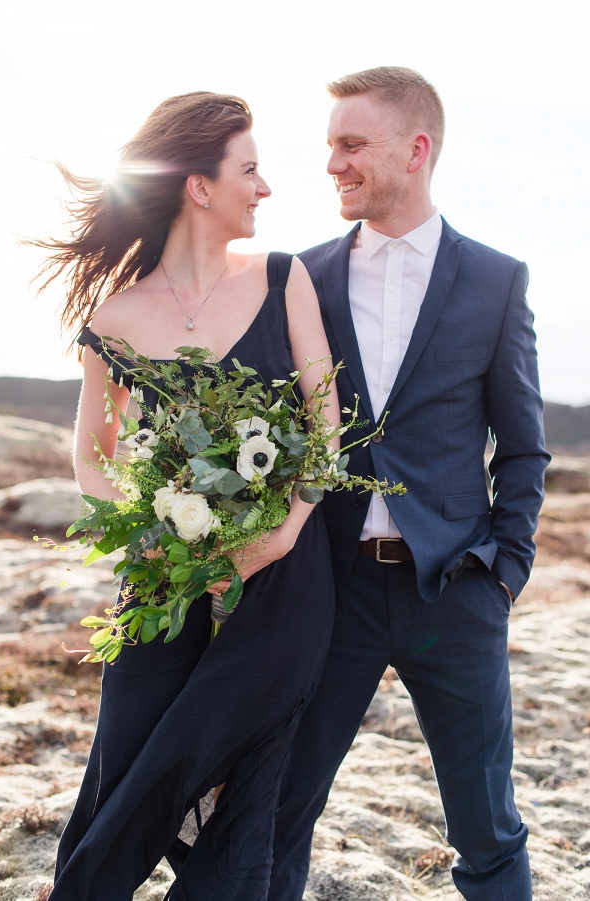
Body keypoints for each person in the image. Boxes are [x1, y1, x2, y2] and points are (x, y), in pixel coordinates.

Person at [35, 91, 339, 901]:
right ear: (199, 186)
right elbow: (94, 456)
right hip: (165, 578)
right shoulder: (118, 319)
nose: (265, 188)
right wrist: (159, 534)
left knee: (247, 784)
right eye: (250, 169)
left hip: (284, 579)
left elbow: (325, 424)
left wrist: (277, 535)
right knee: (129, 760)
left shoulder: (285, 278)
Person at [269, 67, 550, 901]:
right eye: (330, 146)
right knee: (282, 807)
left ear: (415, 149)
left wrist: (506, 570)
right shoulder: (301, 276)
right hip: (329, 593)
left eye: (350, 144)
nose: (332, 165)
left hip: (456, 592)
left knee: (488, 828)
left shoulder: (498, 280)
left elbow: (525, 446)